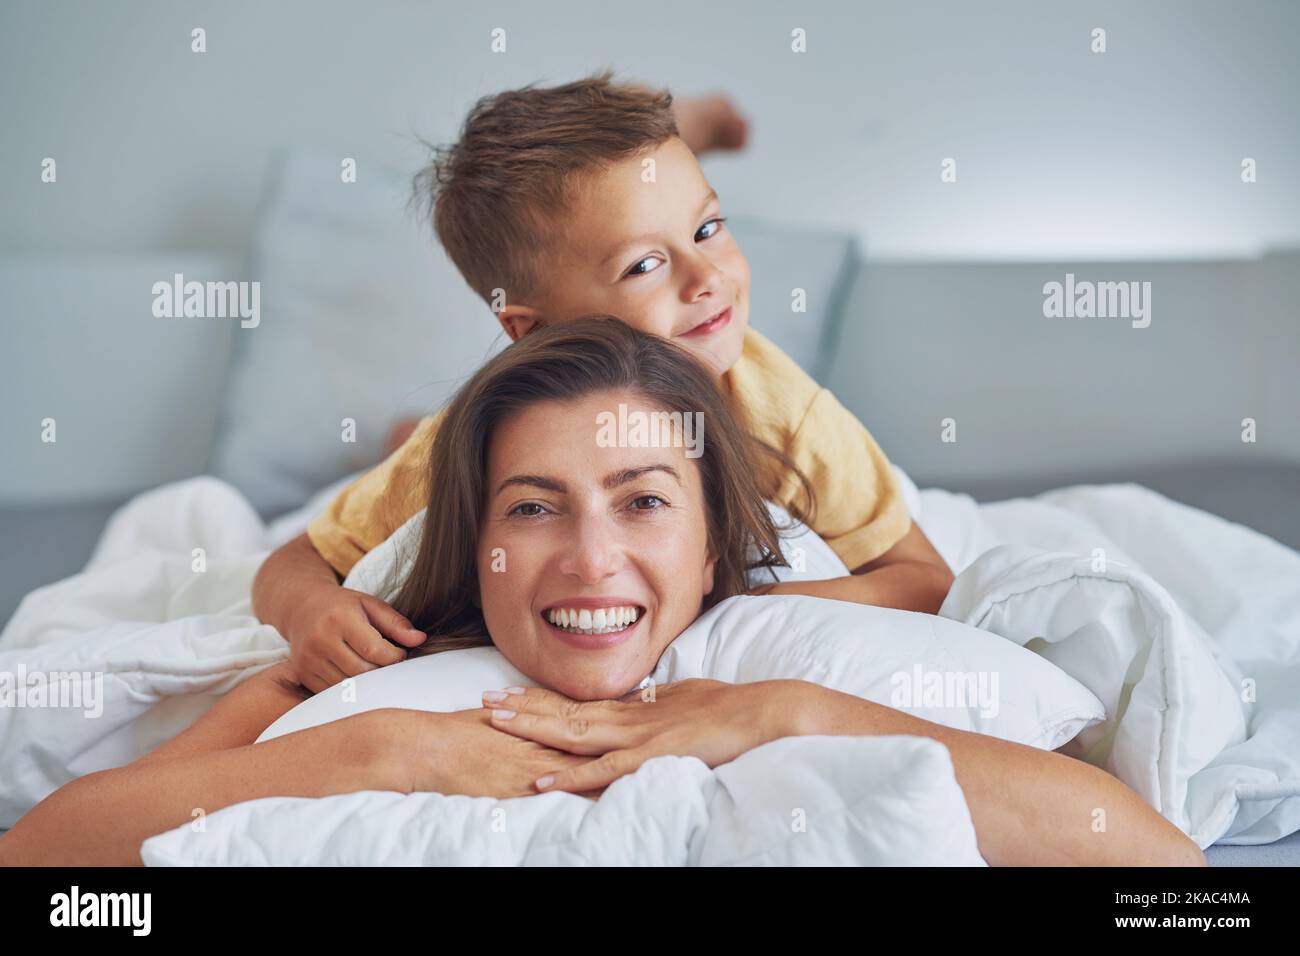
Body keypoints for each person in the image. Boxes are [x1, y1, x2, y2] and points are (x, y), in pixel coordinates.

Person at [0, 320, 1204, 866]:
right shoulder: (374, 668)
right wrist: (379, 752)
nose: (588, 559)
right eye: (532, 505)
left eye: (640, 500)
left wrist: (783, 713)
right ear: (475, 540)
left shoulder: (792, 650)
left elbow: (1167, 877)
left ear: (713, 529)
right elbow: (47, 866)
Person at [253, 72, 955, 695]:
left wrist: (739, 611)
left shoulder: (784, 415)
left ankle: (693, 124)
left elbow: (924, 578)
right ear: (532, 331)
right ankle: (397, 437)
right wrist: (308, 609)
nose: (708, 279)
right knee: (410, 449)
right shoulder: (488, 434)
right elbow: (299, 560)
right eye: (643, 266)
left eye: (710, 228)